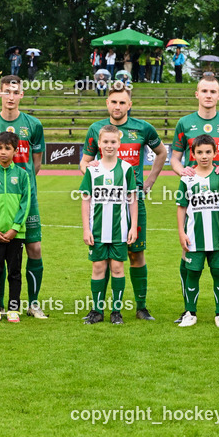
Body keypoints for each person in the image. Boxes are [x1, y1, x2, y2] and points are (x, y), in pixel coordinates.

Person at [80, 82, 167, 320]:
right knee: (102, 258)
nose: (117, 106)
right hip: (103, 204)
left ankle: (140, 306)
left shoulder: (143, 128)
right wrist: (91, 168)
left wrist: (149, 181)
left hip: (131, 201)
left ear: (130, 104)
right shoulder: (97, 129)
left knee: (135, 254)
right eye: (113, 101)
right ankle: (99, 308)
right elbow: (84, 161)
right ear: (107, 103)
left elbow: (162, 152)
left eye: (122, 102)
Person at [171, 75, 219, 323]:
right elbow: (174, 158)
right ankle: (188, 309)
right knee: (189, 251)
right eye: (204, 90)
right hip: (194, 191)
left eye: (213, 91)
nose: (209, 95)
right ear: (197, 94)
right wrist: (184, 173)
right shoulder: (185, 123)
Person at [0, 75, 47, 318]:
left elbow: (36, 164)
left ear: (21, 95)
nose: (10, 96)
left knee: (34, 249)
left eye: (15, 92)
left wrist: (21, 184)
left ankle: (33, 303)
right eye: (6, 91)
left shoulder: (34, 125)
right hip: (0, 201)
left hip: (27, 198)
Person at [81, 125, 138, 325]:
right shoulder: (93, 169)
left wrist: (133, 227)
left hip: (119, 230)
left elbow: (132, 199)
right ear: (99, 144)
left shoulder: (126, 169)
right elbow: (86, 200)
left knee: (117, 267)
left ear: (119, 143)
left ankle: (116, 312)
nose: (109, 145)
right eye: (105, 142)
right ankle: (97, 311)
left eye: (113, 142)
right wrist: (86, 229)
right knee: (98, 267)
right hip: (96, 230)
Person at [175, 135, 219, 328]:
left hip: (218, 236)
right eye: (199, 152)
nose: (204, 156)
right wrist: (181, 233)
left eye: (208, 152)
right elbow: (181, 207)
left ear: (215, 153)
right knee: (193, 273)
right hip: (194, 236)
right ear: (192, 154)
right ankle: (190, 313)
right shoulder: (187, 178)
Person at [0, 132, 32, 322]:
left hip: (15, 235)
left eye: (7, 148)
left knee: (15, 272)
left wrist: (15, 228)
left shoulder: (22, 175)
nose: (3, 152)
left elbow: (25, 204)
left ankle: (13, 308)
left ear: (15, 151)